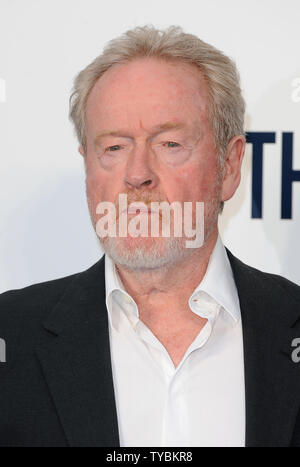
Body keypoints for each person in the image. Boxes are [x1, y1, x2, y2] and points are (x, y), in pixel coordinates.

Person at [0, 25, 299, 448]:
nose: (138, 174)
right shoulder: (9, 335)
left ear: (230, 167)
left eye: (170, 143)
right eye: (115, 147)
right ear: (87, 167)